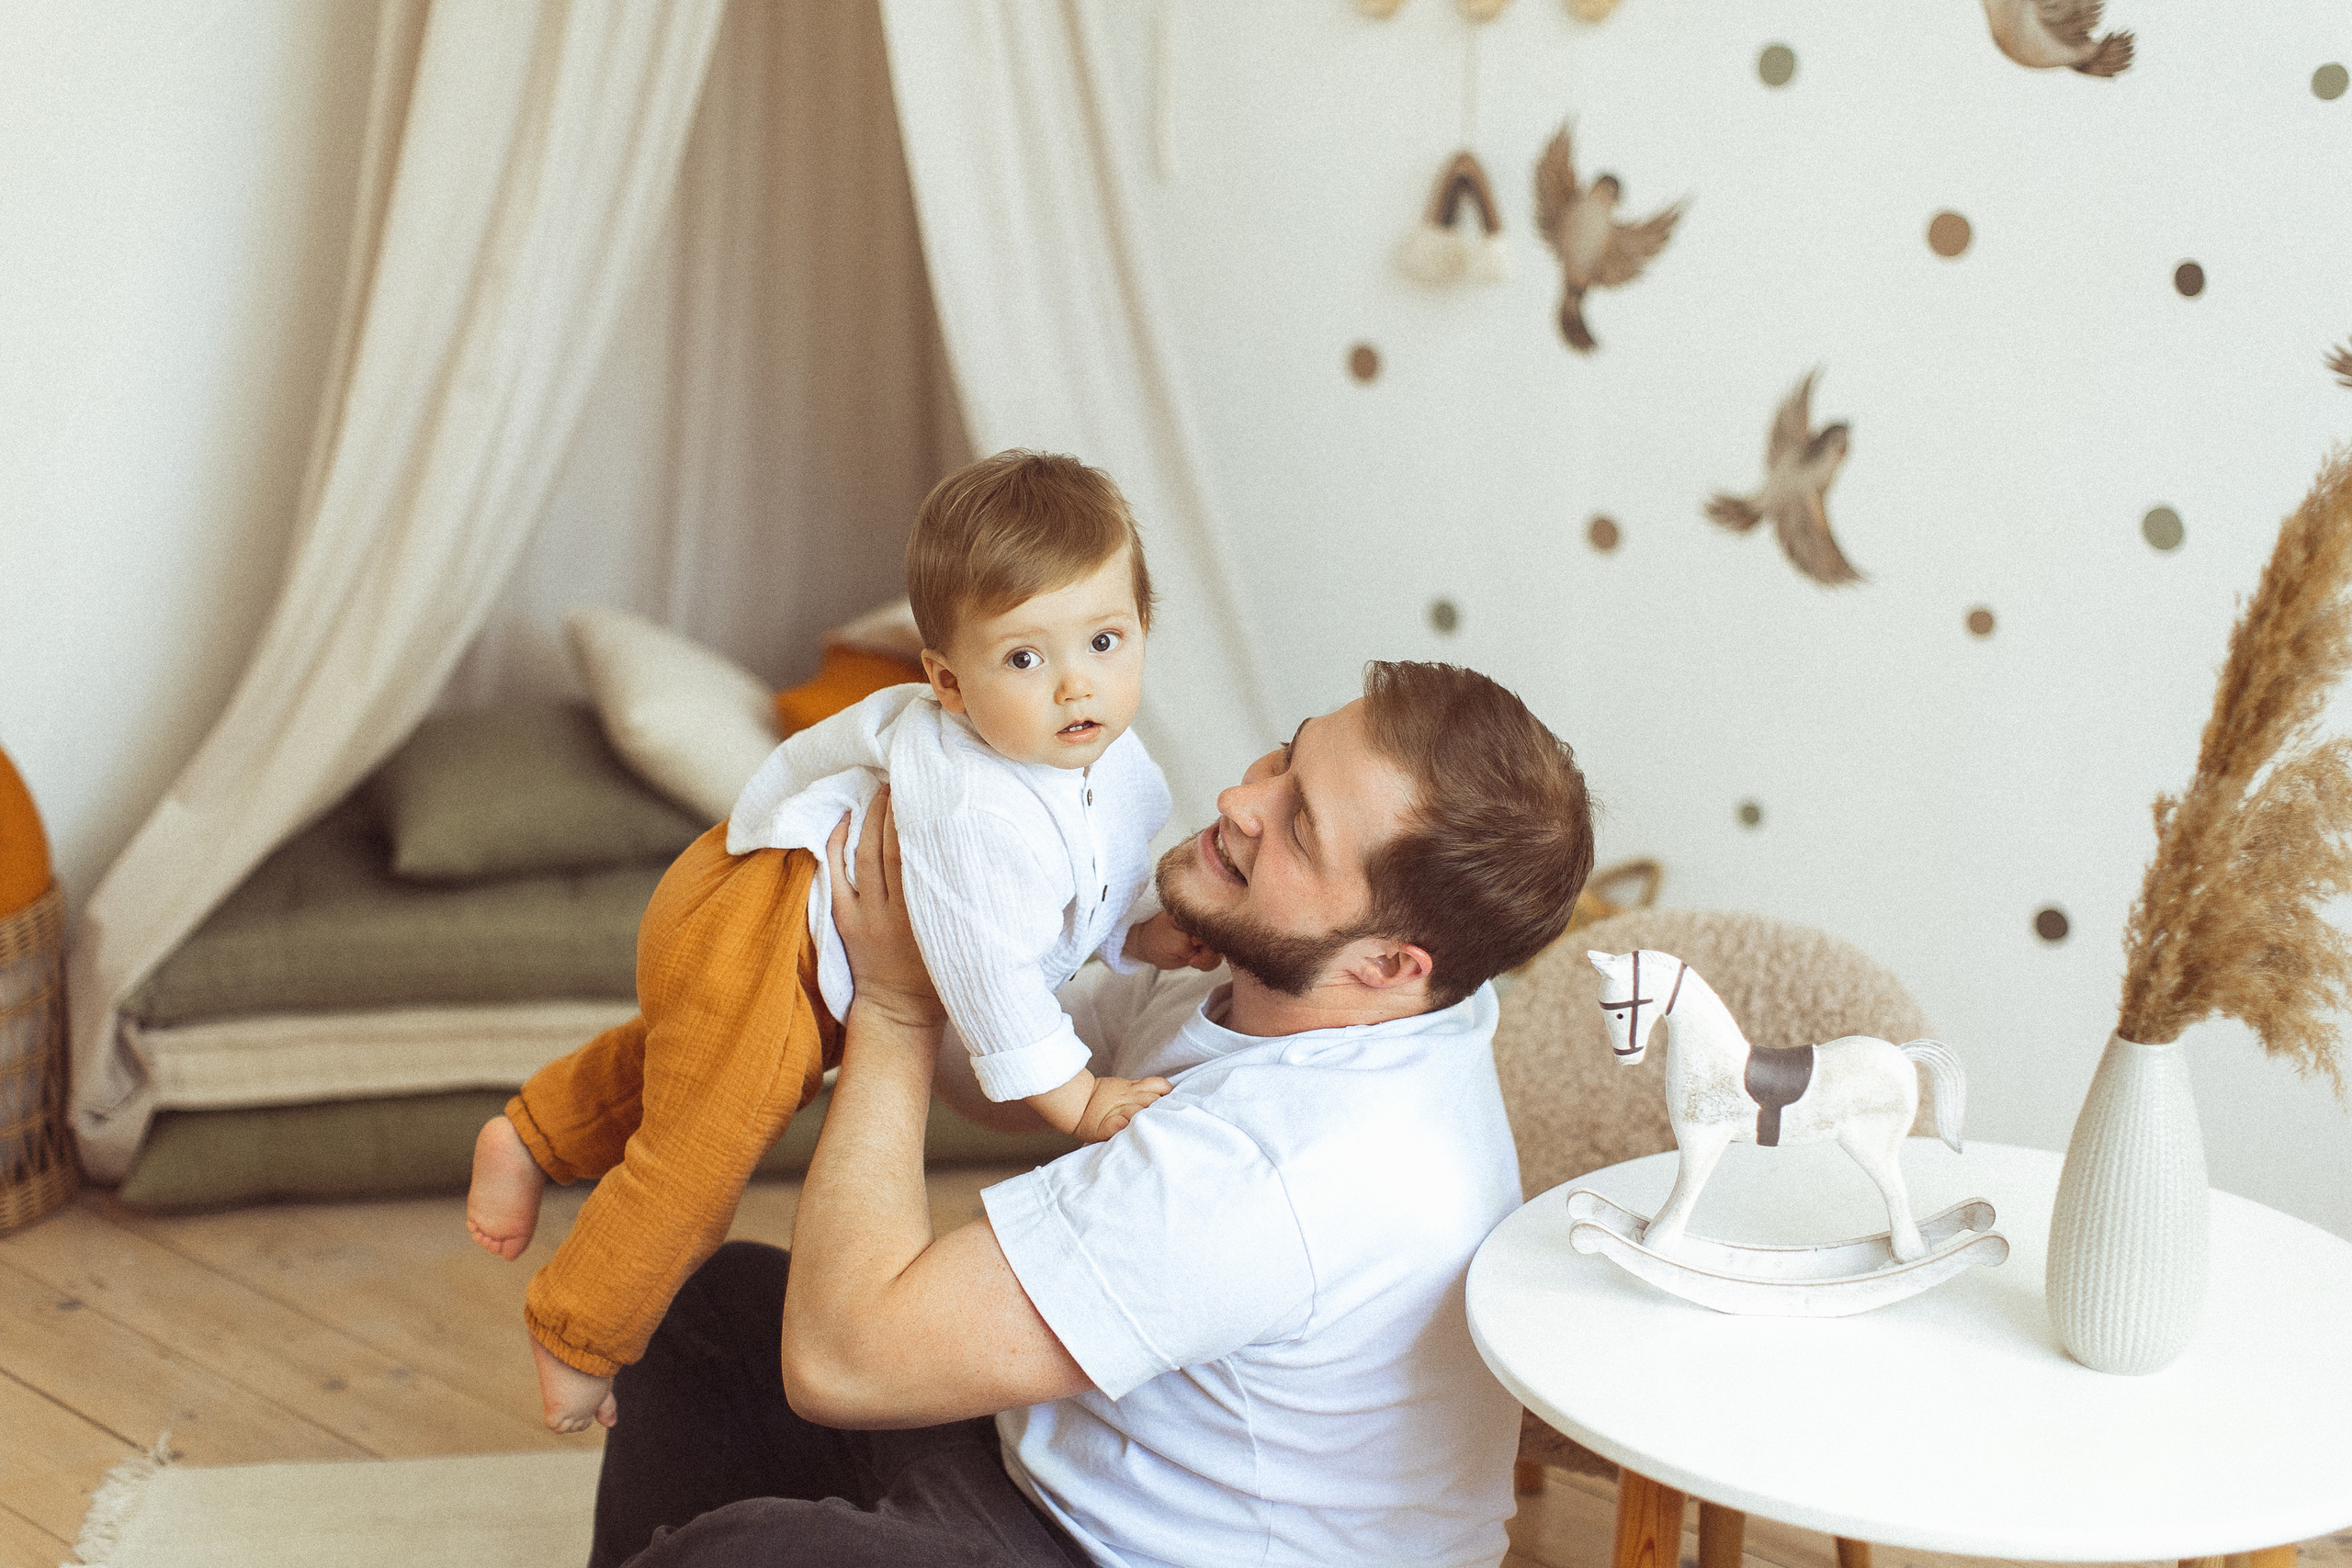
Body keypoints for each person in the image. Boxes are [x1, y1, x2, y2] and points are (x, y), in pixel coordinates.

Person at [585, 660, 1596, 1568]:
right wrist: (930, 916)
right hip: (1054, 1482)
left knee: (749, 1556)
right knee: (714, 1312)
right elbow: (1007, 1077)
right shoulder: (1330, 983)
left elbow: (842, 1361)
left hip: (1123, 1550)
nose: (1240, 799)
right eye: (1286, 757)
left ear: (1388, 963)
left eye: (1298, 828)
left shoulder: (1274, 1167)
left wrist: (893, 1007)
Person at [464, 451, 1215, 1434]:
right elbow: (988, 981)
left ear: (1144, 627)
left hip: (794, 948)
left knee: (683, 1067)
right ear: (948, 683)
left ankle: (533, 1134)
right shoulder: (969, 802)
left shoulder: (1111, 762)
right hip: (756, 933)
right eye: (1024, 660)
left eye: (1105, 641)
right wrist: (1076, 1101)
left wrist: (1144, 934)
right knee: (705, 1147)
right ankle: (577, 1331)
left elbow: (1089, 883)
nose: (1077, 684)